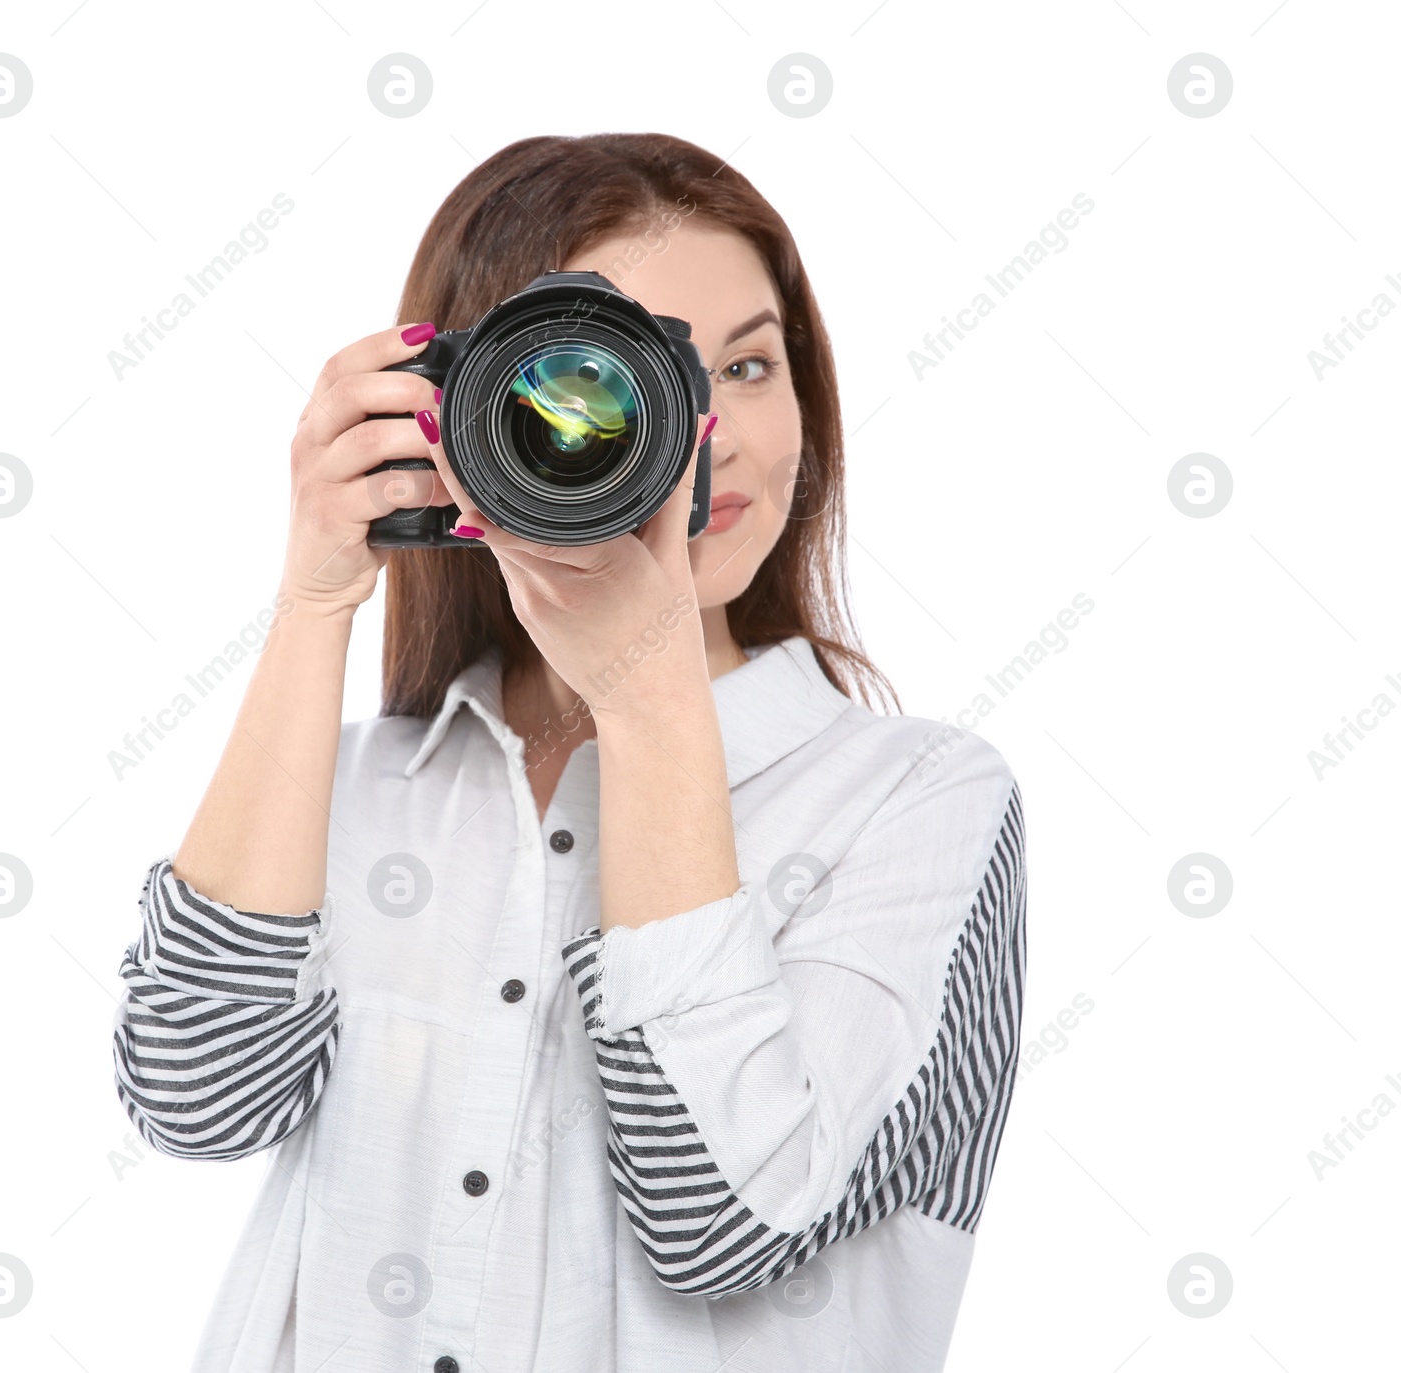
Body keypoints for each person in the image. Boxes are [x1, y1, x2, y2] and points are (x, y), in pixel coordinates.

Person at [111, 131, 1027, 1373]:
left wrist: (649, 702)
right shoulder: (368, 783)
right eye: (615, 384)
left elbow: (723, 1218)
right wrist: (317, 596)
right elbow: (192, 1098)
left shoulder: (921, 804)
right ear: (475, 420)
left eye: (751, 366)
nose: (715, 439)